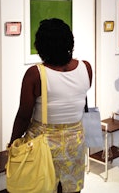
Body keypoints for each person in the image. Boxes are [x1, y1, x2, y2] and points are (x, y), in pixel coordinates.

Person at [9, 18, 92, 193]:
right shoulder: (86, 67)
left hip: (43, 143)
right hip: (75, 142)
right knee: (71, 188)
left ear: (41, 46)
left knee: (41, 186)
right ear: (70, 41)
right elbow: (80, 98)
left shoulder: (35, 74)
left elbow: (24, 115)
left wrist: (13, 142)